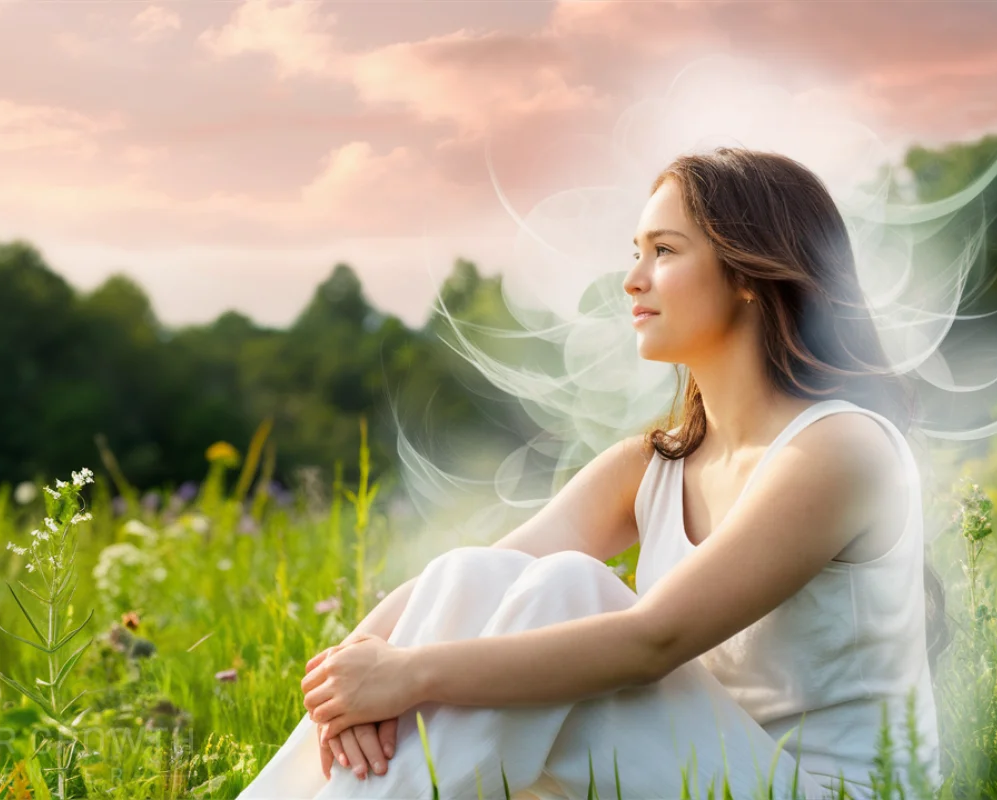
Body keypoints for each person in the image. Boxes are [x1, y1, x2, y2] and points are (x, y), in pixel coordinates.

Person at [237, 147, 945, 800]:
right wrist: (350, 670)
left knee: (570, 587)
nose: (631, 280)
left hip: (828, 789)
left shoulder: (838, 448)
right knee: (474, 574)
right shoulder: (654, 464)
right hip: (700, 767)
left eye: (664, 251)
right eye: (634, 253)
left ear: (752, 276)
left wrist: (407, 677)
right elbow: (473, 574)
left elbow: (651, 642)